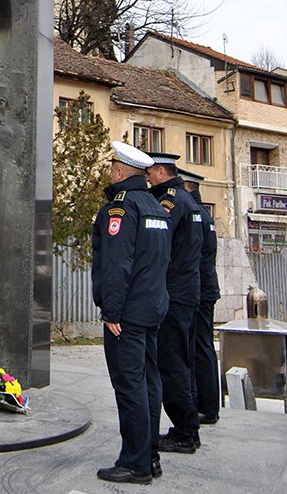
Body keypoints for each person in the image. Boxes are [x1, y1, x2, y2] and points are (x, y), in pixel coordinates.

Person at [93, 141, 171, 485]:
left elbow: (116, 265)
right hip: (153, 308)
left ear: (121, 171)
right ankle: (150, 454)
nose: (110, 172)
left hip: (127, 314)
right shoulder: (155, 206)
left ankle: (135, 462)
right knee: (149, 382)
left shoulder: (120, 210)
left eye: (112, 167)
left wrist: (111, 312)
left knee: (130, 386)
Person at [146, 152, 203, 453]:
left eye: (149, 172)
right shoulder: (187, 199)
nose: (147, 177)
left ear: (160, 171)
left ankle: (184, 432)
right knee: (184, 361)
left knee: (172, 365)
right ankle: (188, 429)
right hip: (188, 291)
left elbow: (159, 245)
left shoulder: (169, 201)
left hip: (175, 295)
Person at [179, 168, 221, 424]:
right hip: (205, 288)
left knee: (200, 349)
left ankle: (206, 407)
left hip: (200, 290)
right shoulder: (204, 213)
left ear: (186, 187)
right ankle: (208, 404)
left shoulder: (195, 214)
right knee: (202, 347)